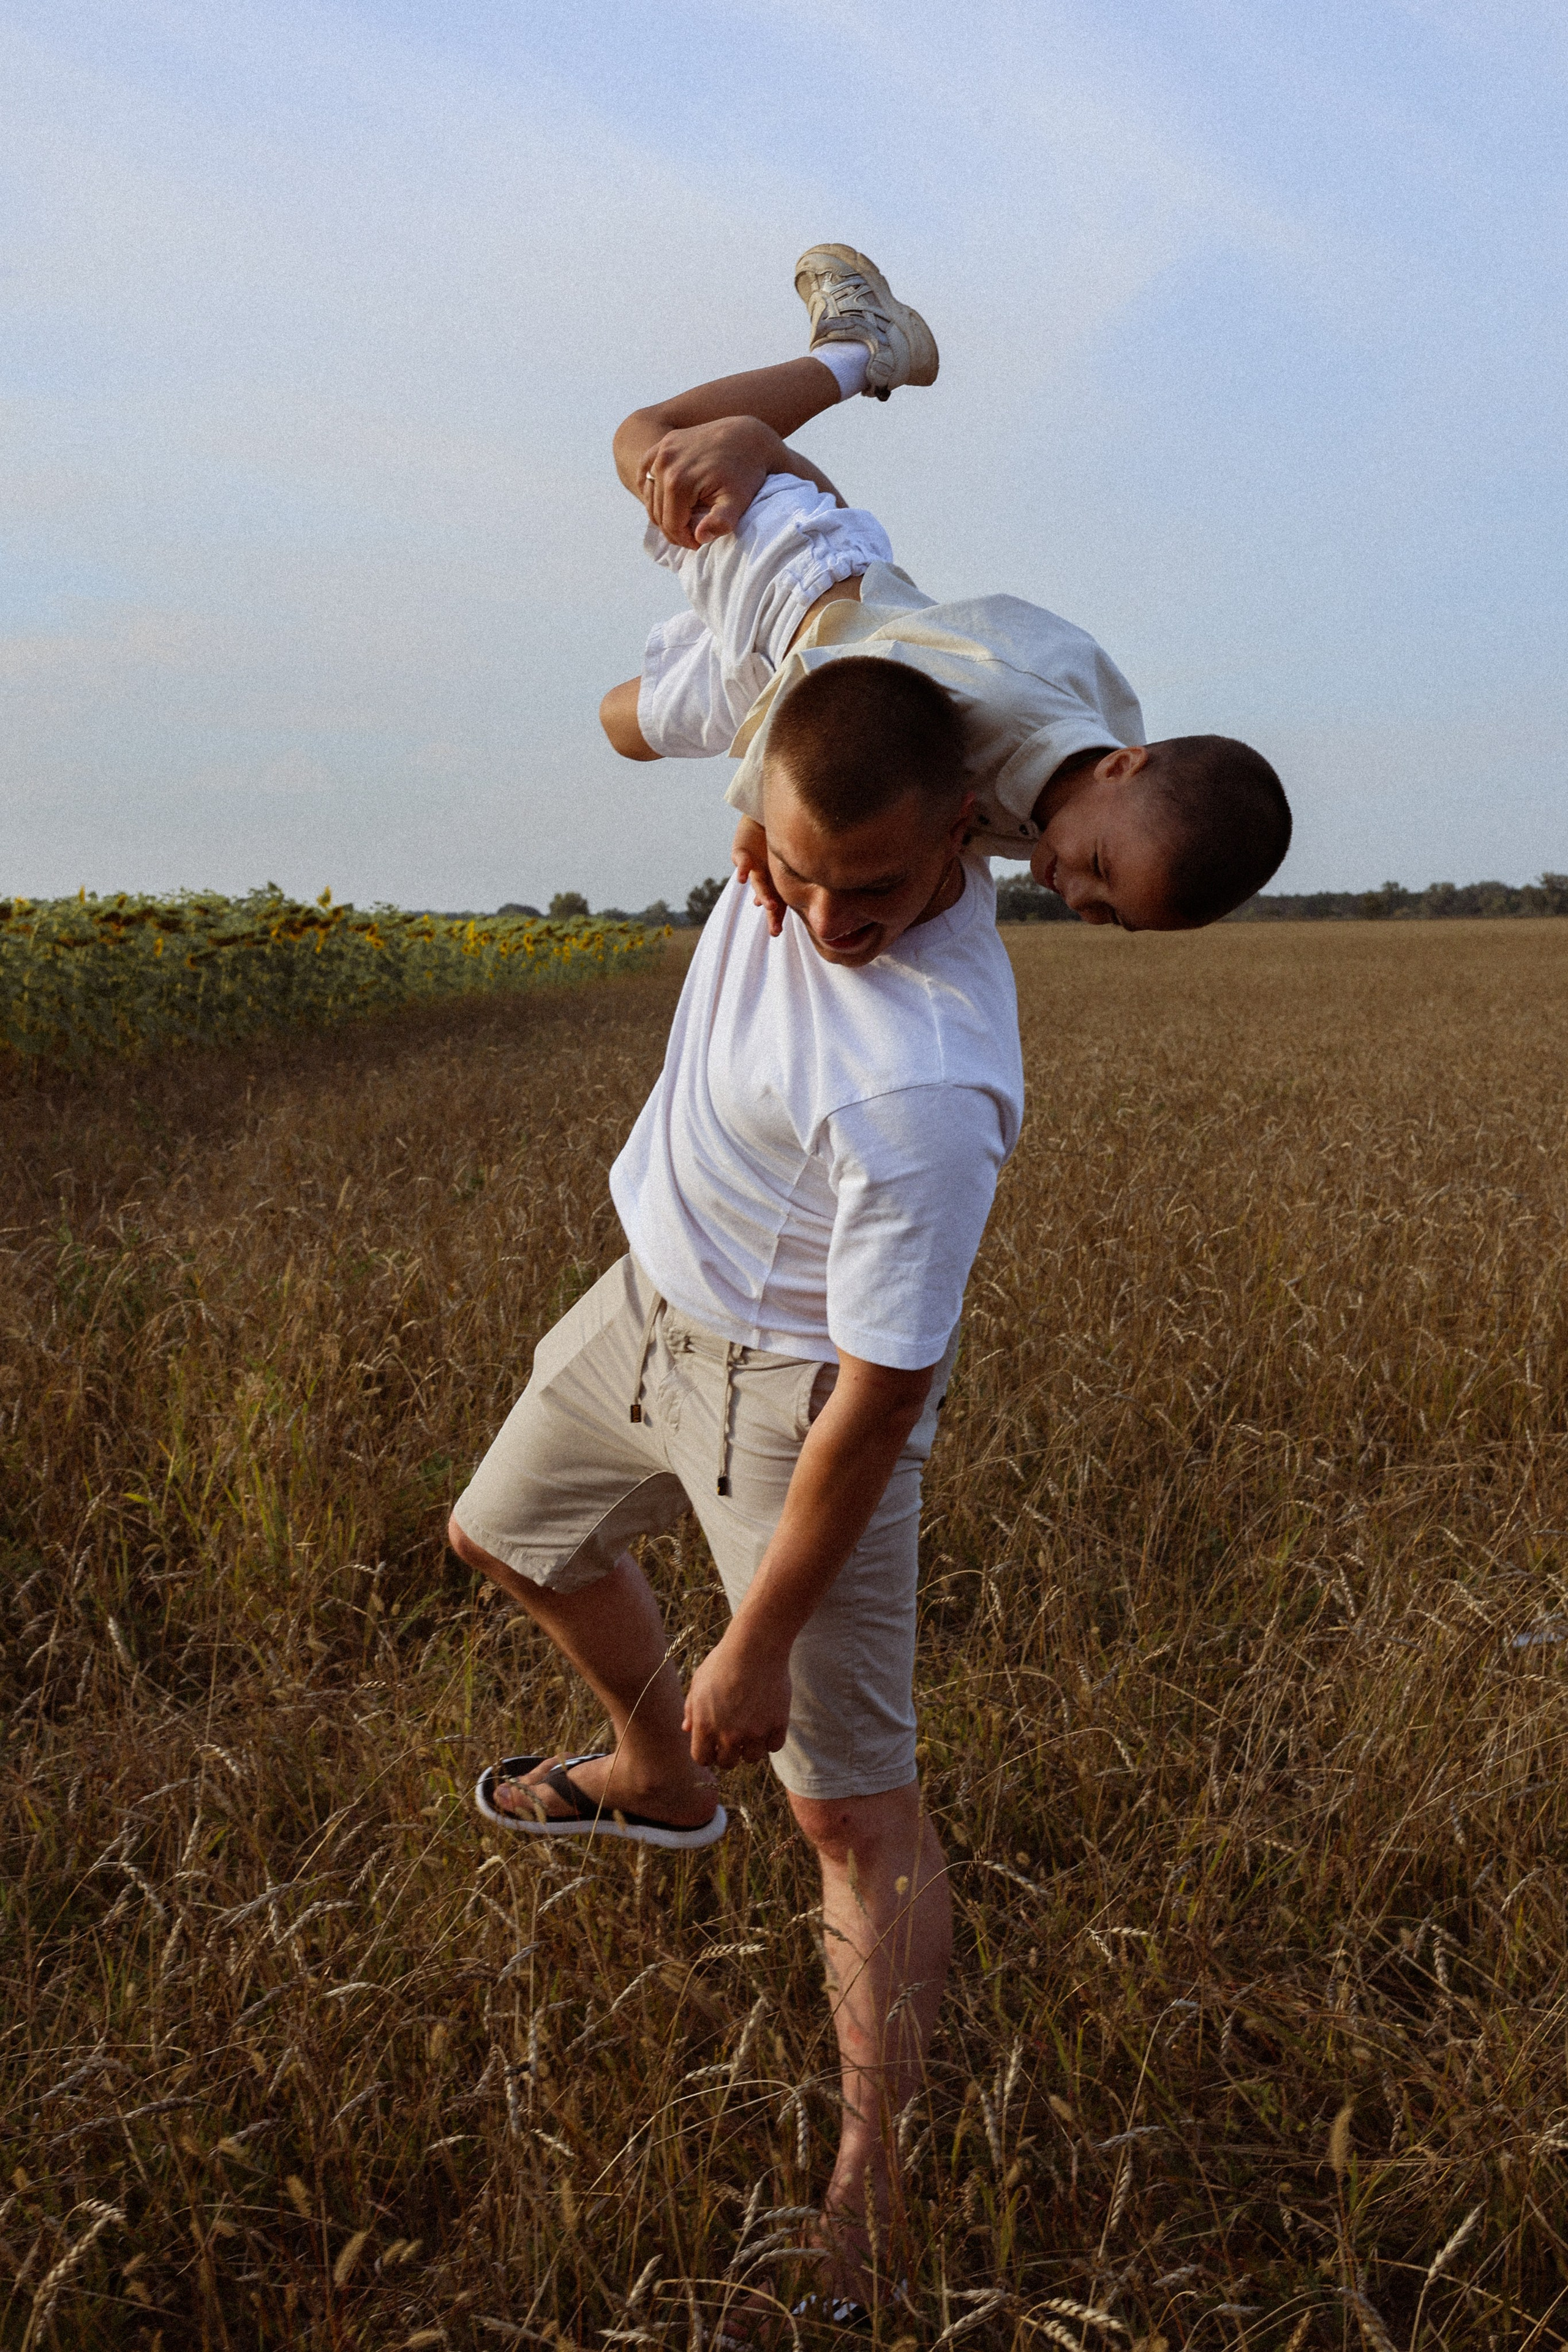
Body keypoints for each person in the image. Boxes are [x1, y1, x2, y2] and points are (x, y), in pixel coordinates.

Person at [447, 359, 1026, 2317]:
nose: (826, 918)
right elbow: (710, 460)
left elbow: (881, 1397)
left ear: (967, 832)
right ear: (753, 797)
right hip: (645, 1297)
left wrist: (760, 1631)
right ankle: (652, 1770)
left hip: (791, 1398)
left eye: (874, 886)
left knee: (851, 1816)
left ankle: (873, 2178)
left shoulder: (923, 1077)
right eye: (793, 868)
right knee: (508, 1535)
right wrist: (811, 388)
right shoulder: (798, 745)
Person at [599, 243, 1291, 932]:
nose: (1079, 897)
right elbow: (834, 682)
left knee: (620, 727)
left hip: (773, 668)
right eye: (1101, 869)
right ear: (1120, 769)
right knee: (650, 440)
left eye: (1109, 915)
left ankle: (760, 494)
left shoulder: (1080, 787)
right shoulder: (999, 701)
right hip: (792, 583)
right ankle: (855, 353)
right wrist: (761, 815)